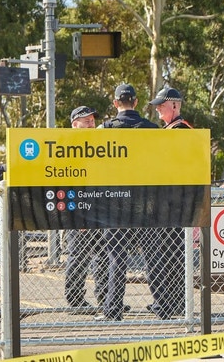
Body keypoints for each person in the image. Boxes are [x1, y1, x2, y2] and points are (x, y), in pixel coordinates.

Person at [95, 84, 158, 322]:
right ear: (137, 101)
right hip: (146, 202)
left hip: (115, 203)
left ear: (115, 104)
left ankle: (113, 309)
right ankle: (162, 305)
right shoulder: (153, 130)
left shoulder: (104, 130)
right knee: (153, 254)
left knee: (115, 256)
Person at [139, 87, 191, 319]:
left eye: (162, 104)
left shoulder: (180, 130)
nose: (158, 108)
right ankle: (171, 301)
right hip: (168, 202)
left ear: (175, 106)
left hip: (174, 202)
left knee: (171, 254)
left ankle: (171, 303)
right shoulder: (171, 129)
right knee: (169, 253)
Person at [64, 106, 108, 315]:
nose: (91, 123)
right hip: (78, 211)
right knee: (78, 256)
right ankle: (75, 300)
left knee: (102, 255)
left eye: (92, 120)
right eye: (86, 121)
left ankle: (105, 298)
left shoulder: (99, 146)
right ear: (75, 124)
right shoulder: (68, 148)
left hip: (99, 209)